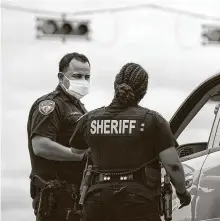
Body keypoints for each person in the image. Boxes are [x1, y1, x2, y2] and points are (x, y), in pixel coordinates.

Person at [69, 62, 191, 221]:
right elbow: (173, 165)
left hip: (96, 202)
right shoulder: (153, 120)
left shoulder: (89, 119)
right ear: (143, 91)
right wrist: (182, 193)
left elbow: (77, 151)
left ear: (116, 85)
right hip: (139, 203)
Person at [27, 52, 91, 221]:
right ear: (61, 77)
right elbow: (40, 145)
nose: (83, 81)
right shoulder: (50, 105)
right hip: (55, 199)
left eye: (87, 76)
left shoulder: (81, 109)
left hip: (77, 197)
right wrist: (81, 156)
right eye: (77, 76)